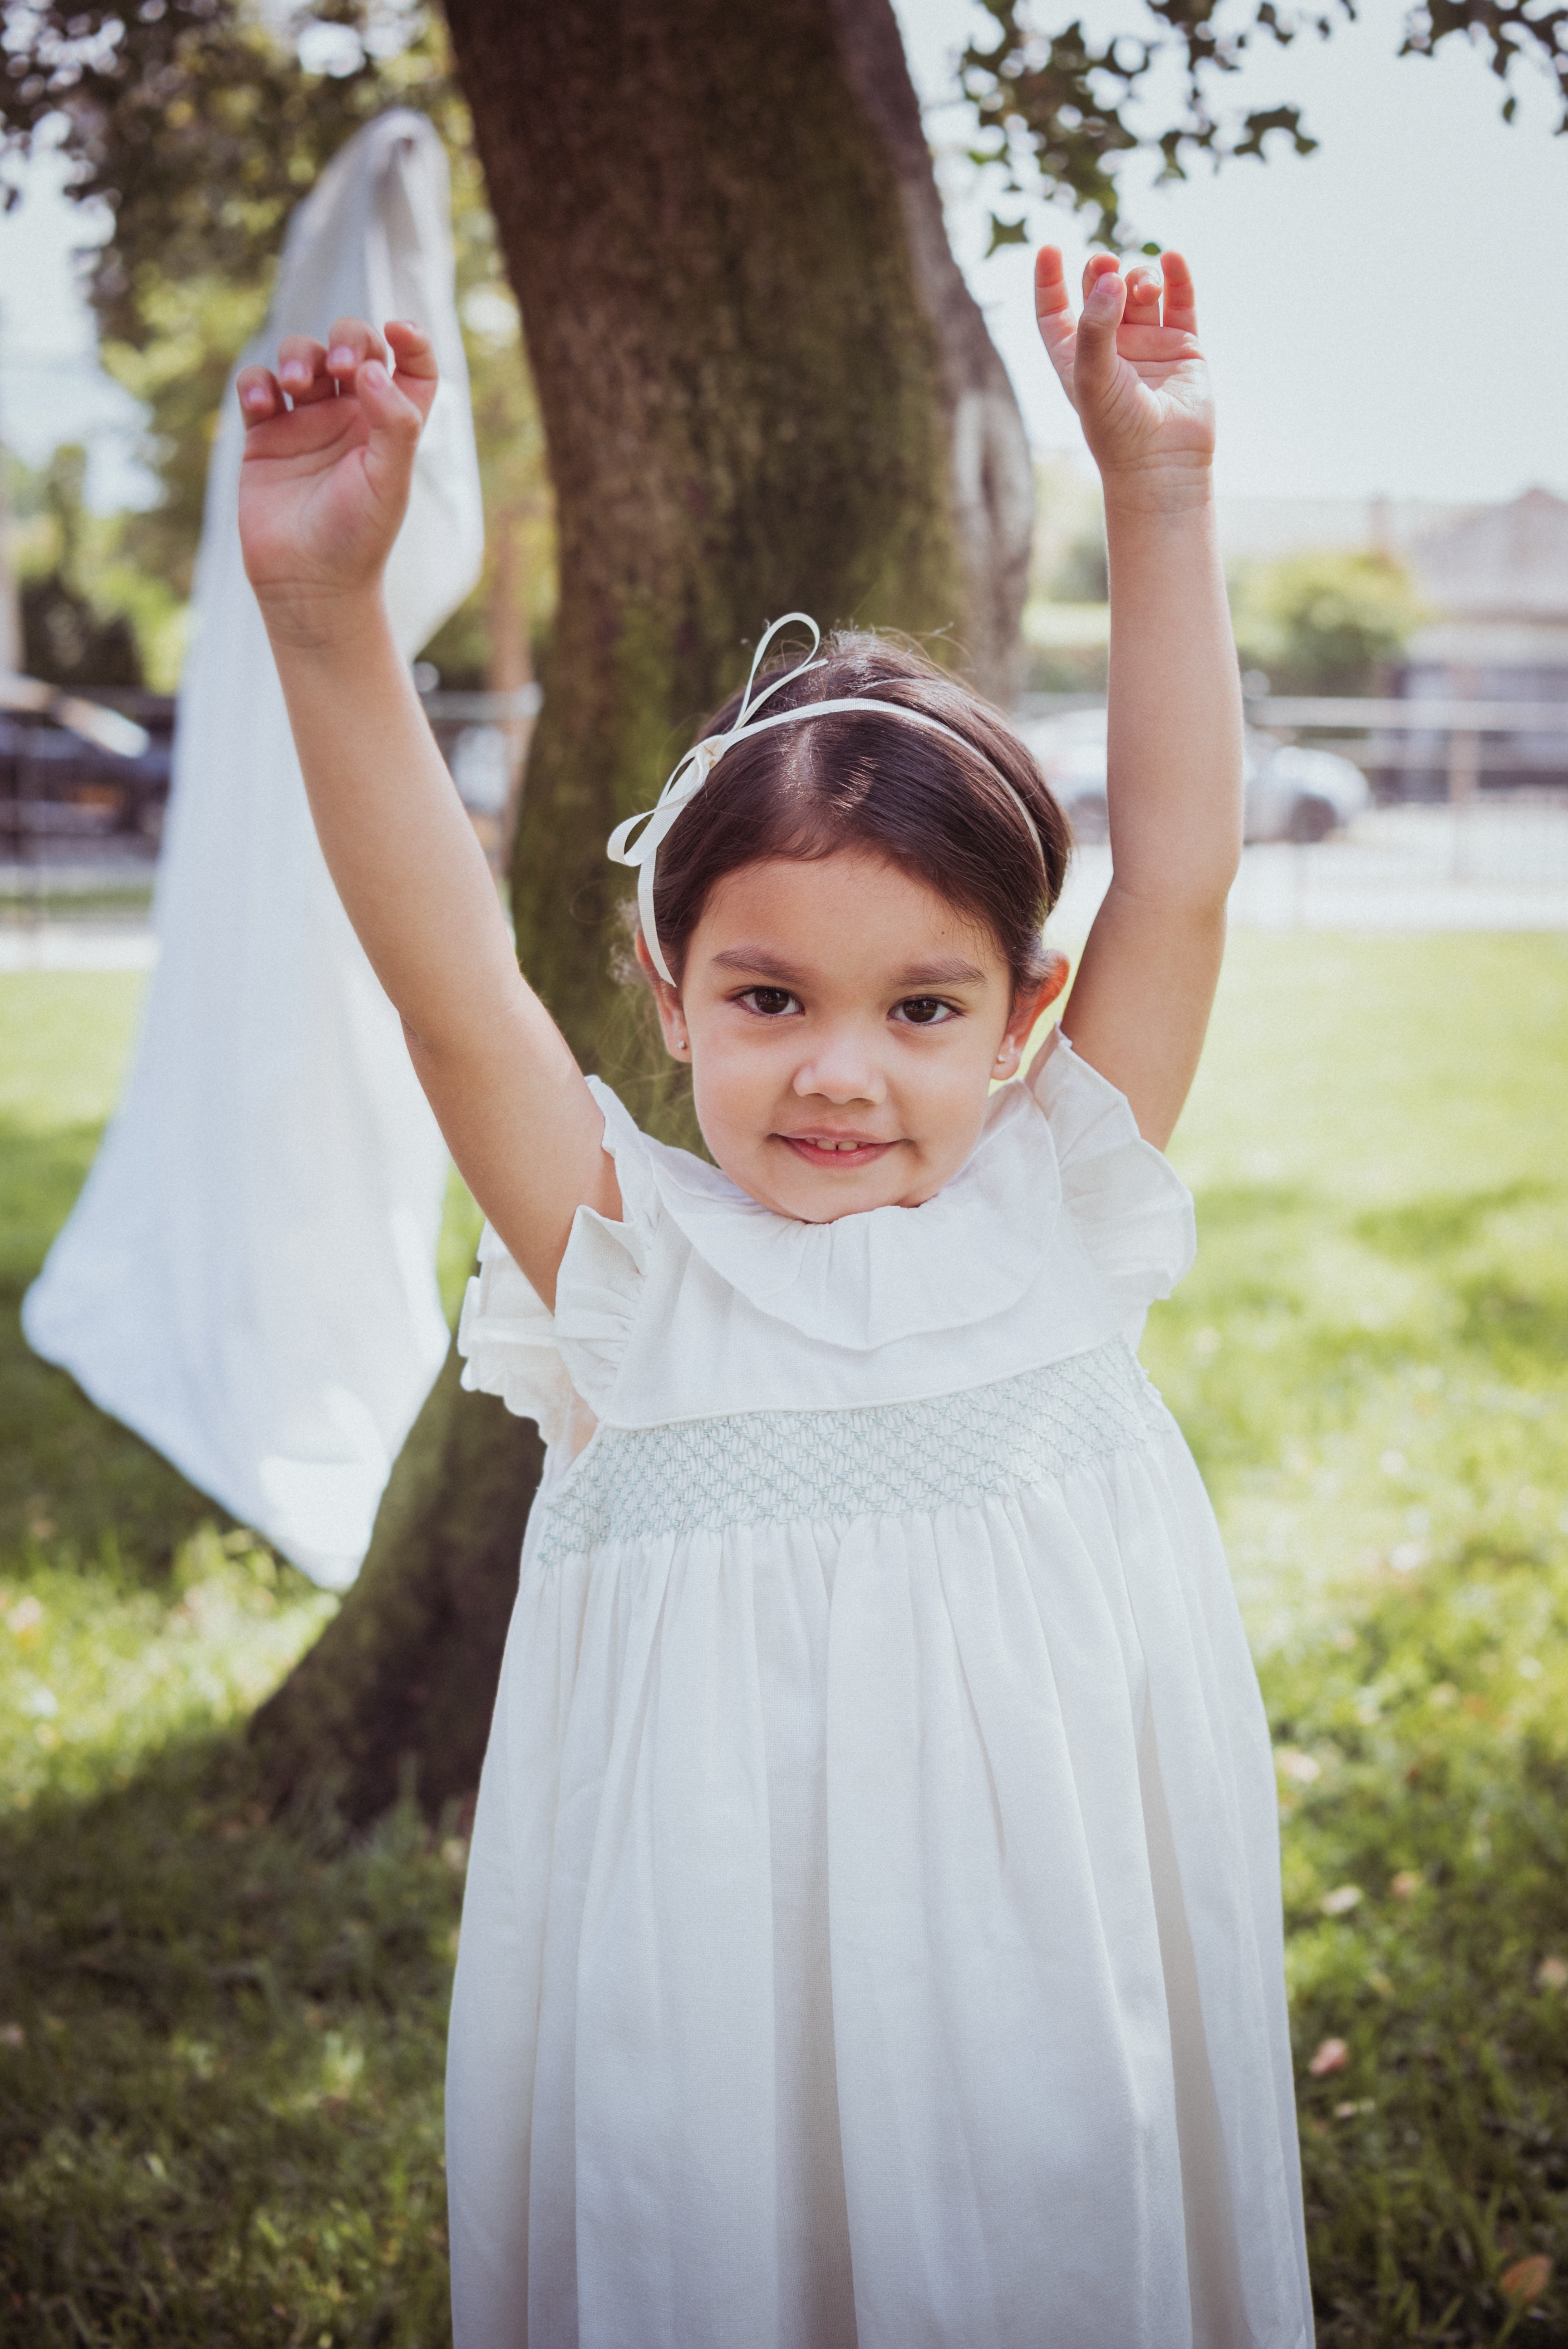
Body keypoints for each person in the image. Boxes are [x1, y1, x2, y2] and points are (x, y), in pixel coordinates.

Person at [236, 247, 1313, 2349]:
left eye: (924, 1004)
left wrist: (1158, 486)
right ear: (666, 996)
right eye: (768, 996)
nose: (840, 1067)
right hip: (716, 1985)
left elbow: (1178, 866)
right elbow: (445, 983)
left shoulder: (1061, 1214)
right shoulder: (628, 1275)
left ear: (1030, 1012)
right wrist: (320, 612)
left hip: (1044, 1950)